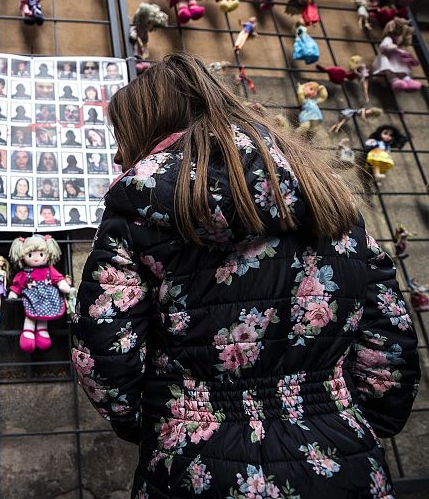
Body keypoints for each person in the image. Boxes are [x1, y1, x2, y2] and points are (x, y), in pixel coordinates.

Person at [72, 52, 420, 498]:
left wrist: (171, 422)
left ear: (146, 128)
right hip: (342, 461)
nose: (120, 153)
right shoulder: (326, 197)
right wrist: (344, 420)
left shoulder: (135, 212)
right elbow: (389, 348)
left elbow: (104, 360)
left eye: (122, 137)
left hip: (197, 467)